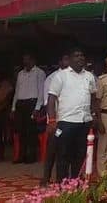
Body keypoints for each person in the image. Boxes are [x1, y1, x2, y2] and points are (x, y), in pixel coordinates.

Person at [46, 48, 99, 181]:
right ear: (69, 59)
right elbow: (51, 99)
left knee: (80, 154)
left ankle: (75, 182)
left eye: (82, 55)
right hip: (66, 122)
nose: (80, 58)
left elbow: (93, 97)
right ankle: (61, 184)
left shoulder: (89, 76)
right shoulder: (60, 76)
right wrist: (52, 120)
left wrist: (94, 115)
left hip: (84, 121)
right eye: (76, 56)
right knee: (63, 155)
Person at [12, 54, 46, 164]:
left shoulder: (39, 73)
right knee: (20, 131)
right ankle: (21, 156)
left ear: (33, 60)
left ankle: (31, 156)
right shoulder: (20, 73)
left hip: (32, 102)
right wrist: (13, 107)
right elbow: (17, 91)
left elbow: (41, 91)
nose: (25, 61)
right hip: (21, 103)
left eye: (27, 59)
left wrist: (37, 107)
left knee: (31, 131)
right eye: (24, 59)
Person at [41, 54, 69, 185]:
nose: (67, 62)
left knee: (64, 152)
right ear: (60, 61)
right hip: (55, 121)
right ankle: (45, 178)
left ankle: (61, 179)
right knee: (52, 151)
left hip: (68, 120)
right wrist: (52, 121)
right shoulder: (51, 78)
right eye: (65, 59)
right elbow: (48, 102)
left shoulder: (71, 77)